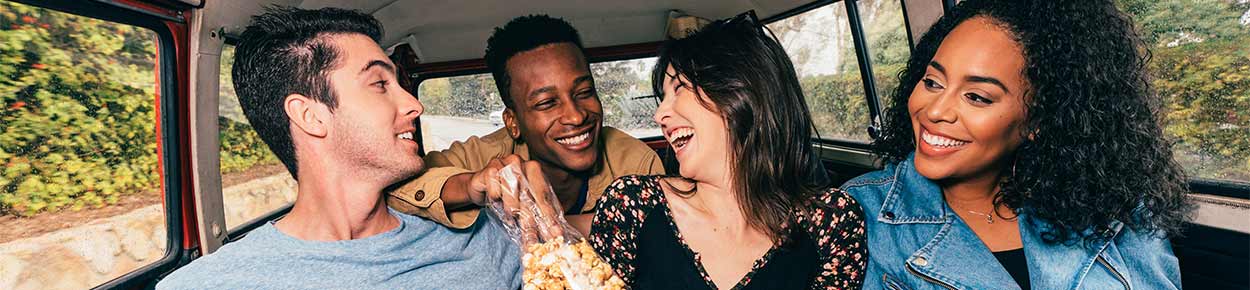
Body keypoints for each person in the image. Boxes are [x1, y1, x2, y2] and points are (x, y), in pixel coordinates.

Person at [156, 7, 521, 289]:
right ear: (310, 116)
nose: (414, 105)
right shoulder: (213, 283)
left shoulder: (484, 237)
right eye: (380, 83)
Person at [842, 0, 1193, 289]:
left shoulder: (1116, 204)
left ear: (1037, 121)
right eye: (933, 82)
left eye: (977, 97)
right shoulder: (857, 213)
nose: (934, 111)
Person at [588, 11, 867, 290]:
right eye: (662, 98)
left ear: (740, 95)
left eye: (678, 89)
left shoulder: (831, 221)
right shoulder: (631, 205)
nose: (659, 114)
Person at [386, 15, 664, 233]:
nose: (577, 116)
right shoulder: (481, 157)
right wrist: (470, 186)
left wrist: (563, 224)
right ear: (513, 122)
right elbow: (395, 189)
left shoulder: (634, 162)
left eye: (584, 93)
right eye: (547, 103)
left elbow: (664, 235)